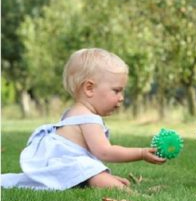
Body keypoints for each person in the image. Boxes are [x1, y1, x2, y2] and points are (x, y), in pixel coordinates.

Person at [1, 48, 166, 191]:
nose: (121, 98)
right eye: (116, 91)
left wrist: (104, 174)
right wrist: (141, 153)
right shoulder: (89, 119)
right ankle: (125, 191)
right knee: (90, 170)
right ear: (89, 88)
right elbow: (104, 152)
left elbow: (87, 157)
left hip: (60, 165)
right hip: (66, 165)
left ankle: (103, 179)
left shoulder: (72, 112)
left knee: (92, 170)